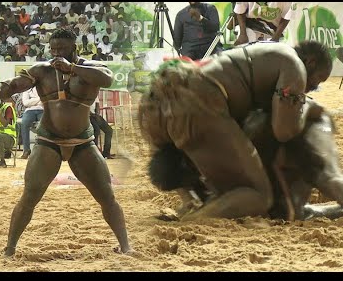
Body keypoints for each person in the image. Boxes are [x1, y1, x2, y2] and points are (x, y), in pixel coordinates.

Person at [138, 40, 332, 221]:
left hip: (157, 100)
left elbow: (163, 156)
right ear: (310, 62)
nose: (312, 88)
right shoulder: (294, 65)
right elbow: (283, 130)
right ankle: (192, 221)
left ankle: (190, 203)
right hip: (198, 100)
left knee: (198, 176)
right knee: (258, 196)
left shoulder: (262, 51)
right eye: (317, 82)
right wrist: (308, 109)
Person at [0, 28, 132, 256]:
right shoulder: (42, 70)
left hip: (82, 141)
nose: (55, 53)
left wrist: (72, 68)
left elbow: (107, 78)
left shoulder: (90, 68)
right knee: (30, 195)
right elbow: (13, 85)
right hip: (48, 140)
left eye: (61, 49)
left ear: (74, 48)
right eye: (52, 49)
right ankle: (10, 248)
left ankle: (126, 246)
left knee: (107, 196)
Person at [19, 86, 43, 159]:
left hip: (42, 109)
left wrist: (32, 101)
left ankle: (41, 150)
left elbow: (45, 101)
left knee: (43, 126)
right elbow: (25, 103)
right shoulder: (27, 89)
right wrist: (39, 99)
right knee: (24, 123)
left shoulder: (43, 87)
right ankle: (26, 150)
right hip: (29, 111)